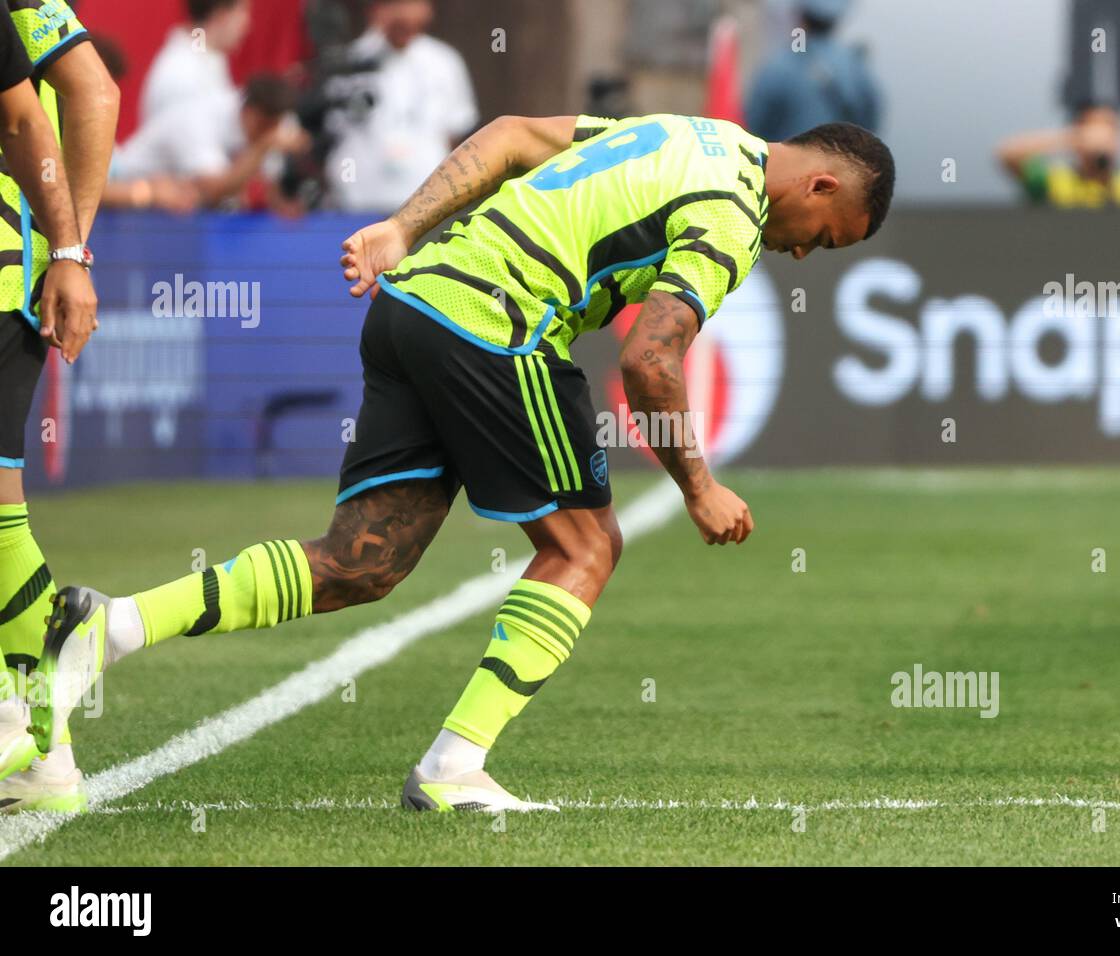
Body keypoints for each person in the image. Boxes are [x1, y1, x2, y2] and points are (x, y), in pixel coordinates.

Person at [30, 111, 894, 813]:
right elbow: (650, 363)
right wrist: (700, 488)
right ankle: (455, 764)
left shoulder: (687, 133)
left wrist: (404, 226)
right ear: (820, 185)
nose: (805, 251)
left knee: (360, 562)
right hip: (497, 326)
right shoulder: (733, 213)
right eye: (827, 236)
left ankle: (105, 629)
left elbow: (514, 134)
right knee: (585, 549)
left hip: (414, 304)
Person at [0, 0, 114, 812]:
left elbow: (24, 112)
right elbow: (94, 92)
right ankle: (46, 750)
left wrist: (68, 251)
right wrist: (65, 249)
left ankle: (37, 694)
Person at [326, 0, 478, 212]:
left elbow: (456, 130)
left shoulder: (444, 61)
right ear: (376, 11)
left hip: (426, 200)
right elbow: (330, 130)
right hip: (358, 200)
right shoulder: (349, 62)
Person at [112, 73, 305, 209]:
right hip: (119, 200)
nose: (271, 134)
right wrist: (262, 147)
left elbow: (264, 187)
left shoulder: (264, 125)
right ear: (250, 113)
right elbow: (217, 190)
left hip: (162, 210)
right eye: (266, 127)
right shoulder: (199, 120)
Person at [746, 0, 883, 141]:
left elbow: (755, 127)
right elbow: (871, 122)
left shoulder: (779, 66)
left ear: (800, 16)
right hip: (839, 161)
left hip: (785, 161)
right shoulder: (855, 68)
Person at [996, 102, 1120, 208]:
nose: (1099, 137)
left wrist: (1107, 174)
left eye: (1110, 128)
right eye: (1090, 127)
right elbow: (1007, 154)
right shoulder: (1055, 180)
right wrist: (1073, 138)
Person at [139, 0, 250, 125]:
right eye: (242, 11)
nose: (247, 23)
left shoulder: (209, 60)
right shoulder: (183, 73)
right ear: (222, 14)